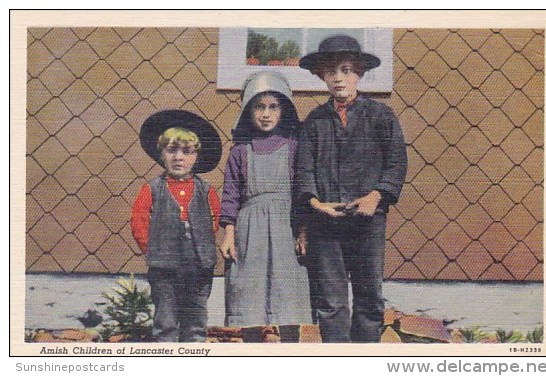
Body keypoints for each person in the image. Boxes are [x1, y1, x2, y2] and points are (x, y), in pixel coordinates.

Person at [296, 35, 408, 343]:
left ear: (359, 73)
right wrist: (315, 204)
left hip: (367, 222)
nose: (339, 78)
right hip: (326, 224)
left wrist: (377, 195)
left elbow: (396, 163)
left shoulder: (380, 116)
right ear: (321, 76)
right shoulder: (314, 122)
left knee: (369, 296)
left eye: (346, 70)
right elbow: (303, 171)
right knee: (331, 301)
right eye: (331, 71)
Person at [220, 71, 312, 342]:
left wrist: (304, 230)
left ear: (284, 110)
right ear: (249, 111)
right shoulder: (240, 150)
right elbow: (231, 195)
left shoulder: (294, 147)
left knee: (288, 293)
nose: (266, 114)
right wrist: (228, 233)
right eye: (259, 107)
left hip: (287, 228)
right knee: (250, 293)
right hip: (250, 231)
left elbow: (303, 191)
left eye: (273, 107)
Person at [130, 110, 222, 342]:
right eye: (172, 150)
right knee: (166, 321)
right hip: (164, 269)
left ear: (196, 156)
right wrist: (152, 248)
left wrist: (200, 242)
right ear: (161, 154)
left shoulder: (205, 190)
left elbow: (213, 219)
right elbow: (139, 220)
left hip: (199, 267)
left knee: (195, 320)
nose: (178, 157)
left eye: (186, 151)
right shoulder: (152, 189)